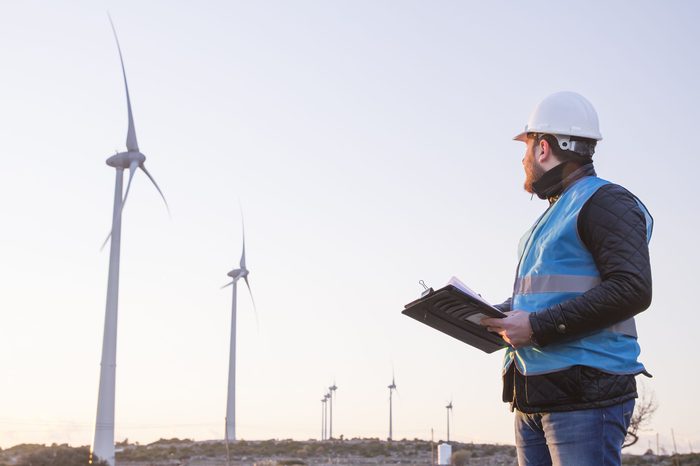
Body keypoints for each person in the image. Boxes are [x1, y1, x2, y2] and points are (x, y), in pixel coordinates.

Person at [480, 91, 653, 466]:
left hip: (584, 396)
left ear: (543, 148)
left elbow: (632, 288)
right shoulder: (556, 214)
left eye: (525, 148)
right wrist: (492, 314)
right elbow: (546, 297)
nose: (523, 160)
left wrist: (537, 326)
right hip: (535, 394)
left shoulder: (605, 201)